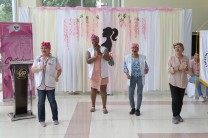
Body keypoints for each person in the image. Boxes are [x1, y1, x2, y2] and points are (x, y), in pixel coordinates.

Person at [32, 42, 62, 127]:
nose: (43, 50)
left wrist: (57, 76)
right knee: (41, 102)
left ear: (49, 49)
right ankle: (41, 120)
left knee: (52, 102)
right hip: (40, 85)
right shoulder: (38, 58)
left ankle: (55, 118)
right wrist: (39, 68)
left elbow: (59, 69)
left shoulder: (54, 59)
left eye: (45, 48)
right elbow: (33, 69)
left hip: (50, 84)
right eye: (42, 48)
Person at [167, 42, 192, 124]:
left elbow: (188, 70)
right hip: (173, 81)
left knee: (180, 100)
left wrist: (187, 69)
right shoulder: (171, 58)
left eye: (179, 47)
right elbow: (169, 70)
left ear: (182, 49)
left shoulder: (186, 58)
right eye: (176, 47)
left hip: (183, 82)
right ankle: (174, 116)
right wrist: (178, 68)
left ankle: (178, 115)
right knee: (175, 99)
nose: (177, 48)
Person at [86, 34, 110, 114]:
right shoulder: (89, 50)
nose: (94, 42)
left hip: (103, 73)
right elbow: (88, 61)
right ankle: (93, 106)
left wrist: (100, 53)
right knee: (93, 90)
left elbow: (108, 58)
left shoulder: (104, 49)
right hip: (93, 73)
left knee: (103, 90)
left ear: (98, 41)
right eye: (92, 41)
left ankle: (104, 107)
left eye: (95, 40)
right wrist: (94, 57)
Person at [123, 43, 149, 116]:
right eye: (133, 48)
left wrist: (146, 70)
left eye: (136, 48)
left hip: (140, 77)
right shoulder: (127, 57)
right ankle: (133, 108)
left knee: (139, 93)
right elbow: (124, 67)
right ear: (131, 49)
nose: (134, 49)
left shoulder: (142, 57)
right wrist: (127, 74)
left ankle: (138, 109)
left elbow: (146, 67)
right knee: (131, 93)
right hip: (131, 77)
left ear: (138, 49)